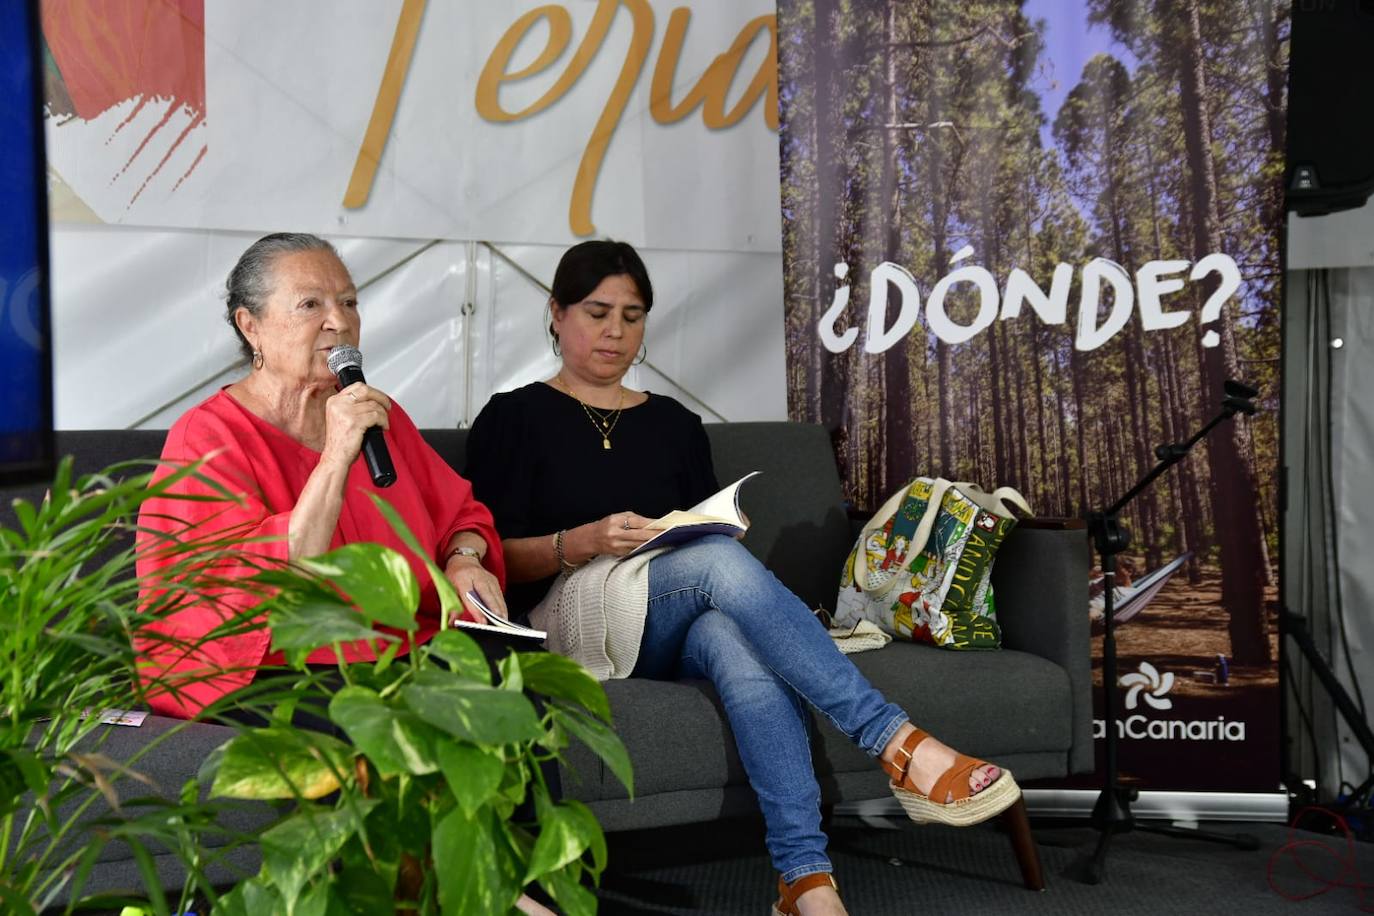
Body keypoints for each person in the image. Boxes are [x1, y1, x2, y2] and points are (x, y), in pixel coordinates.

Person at [464, 240, 1021, 916]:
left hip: (664, 617)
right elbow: (487, 560)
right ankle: (898, 744)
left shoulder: (673, 423)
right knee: (718, 571)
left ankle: (804, 881)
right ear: (556, 313)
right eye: (597, 311)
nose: (615, 331)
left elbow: (698, 532)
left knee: (733, 636)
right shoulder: (512, 417)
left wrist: (719, 528)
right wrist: (575, 543)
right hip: (567, 617)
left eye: (632, 315)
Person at [135, 233, 510, 719]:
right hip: (275, 667)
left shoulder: (378, 413)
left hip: (404, 647)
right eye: (310, 304)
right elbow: (262, 587)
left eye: (349, 301)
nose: (340, 322)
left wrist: (463, 558)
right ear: (252, 326)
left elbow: (460, 513)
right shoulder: (206, 436)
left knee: (515, 695)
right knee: (377, 725)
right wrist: (335, 456)